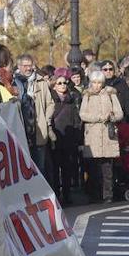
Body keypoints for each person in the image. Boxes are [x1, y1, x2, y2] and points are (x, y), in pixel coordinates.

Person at [79, 70, 123, 202]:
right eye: (94, 82)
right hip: (93, 134)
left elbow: (119, 113)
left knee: (107, 169)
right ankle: (94, 194)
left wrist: (111, 117)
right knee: (93, 168)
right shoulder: (87, 95)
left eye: (99, 83)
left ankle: (108, 195)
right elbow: (83, 114)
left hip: (107, 134)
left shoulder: (110, 94)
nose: (97, 85)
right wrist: (98, 118)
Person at [48, 71, 82, 203]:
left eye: (65, 83)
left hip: (69, 140)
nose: (63, 85)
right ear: (54, 86)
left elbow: (76, 122)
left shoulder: (71, 101)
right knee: (55, 169)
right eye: (59, 83)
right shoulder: (51, 101)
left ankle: (67, 195)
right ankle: (56, 194)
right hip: (55, 139)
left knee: (67, 168)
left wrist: (77, 139)